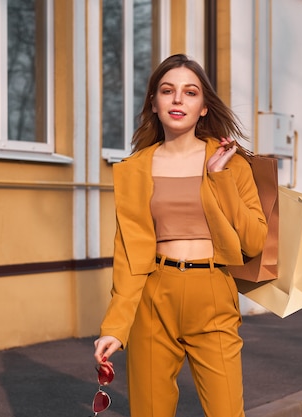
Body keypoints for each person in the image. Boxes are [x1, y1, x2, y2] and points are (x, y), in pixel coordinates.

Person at [93, 54, 268, 417]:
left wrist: (219, 178)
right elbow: (128, 255)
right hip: (155, 295)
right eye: (167, 91)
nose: (177, 100)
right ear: (154, 104)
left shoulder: (230, 163)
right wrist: (115, 327)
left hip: (213, 293)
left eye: (190, 92)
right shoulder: (134, 169)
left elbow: (254, 241)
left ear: (204, 108)